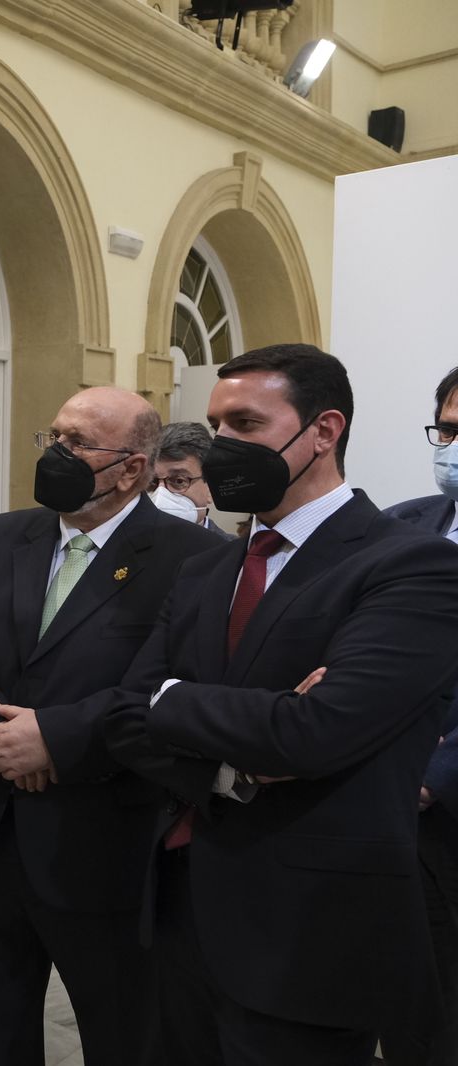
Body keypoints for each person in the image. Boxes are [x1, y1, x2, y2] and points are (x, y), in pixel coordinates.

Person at [104, 344, 458, 1065]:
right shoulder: (207, 567)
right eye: (215, 425)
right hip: (180, 906)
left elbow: (313, 732)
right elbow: (128, 714)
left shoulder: (409, 564)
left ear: (323, 431)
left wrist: (176, 700)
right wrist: (233, 762)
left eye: (245, 424)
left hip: (309, 932)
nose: (221, 445)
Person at [0, 386, 221, 1066]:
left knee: (123, 1031)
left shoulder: (190, 557)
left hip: (101, 839)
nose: (56, 453)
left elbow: (164, 683)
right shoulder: (4, 535)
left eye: (78, 443)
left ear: (132, 468)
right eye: (53, 436)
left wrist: (54, 738)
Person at [380, 365, 458, 1066]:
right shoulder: (402, 523)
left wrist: (434, 771)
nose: (453, 450)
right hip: (381, 807)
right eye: (450, 431)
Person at [151, 421, 234, 539]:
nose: (160, 496)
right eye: (152, 482)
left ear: (211, 488)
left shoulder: (238, 550)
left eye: (179, 481)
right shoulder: (125, 545)